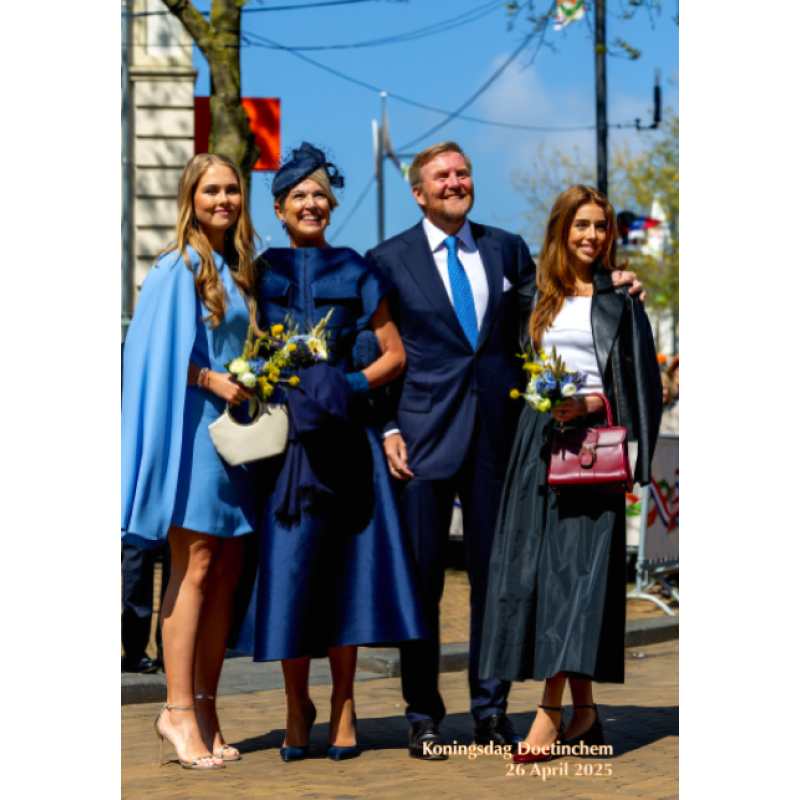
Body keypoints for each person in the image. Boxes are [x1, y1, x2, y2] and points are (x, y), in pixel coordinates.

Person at [364, 142, 645, 760]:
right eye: (441, 176)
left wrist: (613, 281)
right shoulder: (386, 259)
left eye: (463, 173)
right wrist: (385, 428)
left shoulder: (507, 249)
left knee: (503, 579)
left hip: (503, 441)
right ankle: (423, 714)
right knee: (423, 583)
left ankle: (491, 712)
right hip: (421, 441)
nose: (455, 183)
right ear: (418, 191)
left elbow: (561, 305)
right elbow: (372, 346)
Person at [232, 142, 430, 763]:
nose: (311, 203)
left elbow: (394, 354)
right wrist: (266, 378)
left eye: (320, 194)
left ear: (331, 203)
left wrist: (346, 384)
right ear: (280, 207)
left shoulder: (359, 268)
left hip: (348, 446)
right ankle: (297, 706)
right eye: (299, 196)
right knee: (291, 576)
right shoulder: (258, 272)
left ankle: (343, 705)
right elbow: (246, 346)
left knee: (345, 576)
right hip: (285, 452)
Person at [479, 185, 662, 763]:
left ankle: (547, 712)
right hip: (536, 445)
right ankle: (583, 712)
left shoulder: (621, 300)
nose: (592, 237)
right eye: (581, 225)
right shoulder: (527, 296)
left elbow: (644, 387)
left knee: (578, 577)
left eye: (601, 227)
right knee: (538, 575)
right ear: (560, 229)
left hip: (594, 446)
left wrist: (598, 415)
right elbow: (503, 370)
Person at [122, 153, 263, 770]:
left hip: (238, 437)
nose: (224, 200)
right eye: (212, 190)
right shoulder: (175, 268)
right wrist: (211, 379)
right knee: (195, 564)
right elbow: (148, 355)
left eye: (232, 189)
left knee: (228, 569)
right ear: (191, 196)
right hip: (196, 433)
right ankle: (175, 711)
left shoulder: (234, 267)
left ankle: (205, 706)